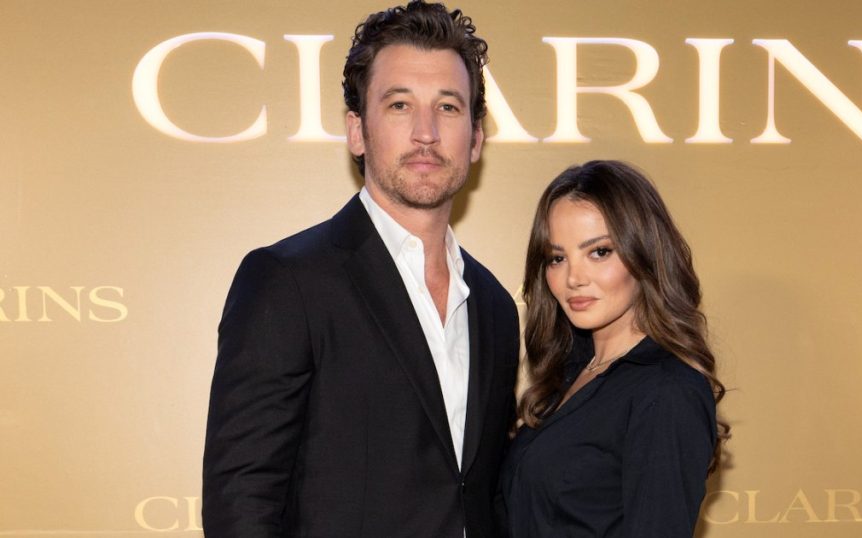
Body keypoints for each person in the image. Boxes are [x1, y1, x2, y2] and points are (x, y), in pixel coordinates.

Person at [202, 2, 520, 537]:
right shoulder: (288, 281)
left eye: (447, 107)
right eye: (399, 105)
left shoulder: (494, 306)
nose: (425, 132)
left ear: (476, 139)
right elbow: (242, 501)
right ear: (357, 131)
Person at [501, 160, 729, 537]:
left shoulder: (666, 391)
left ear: (644, 253)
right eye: (557, 258)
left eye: (599, 252)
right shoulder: (571, 372)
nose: (573, 278)